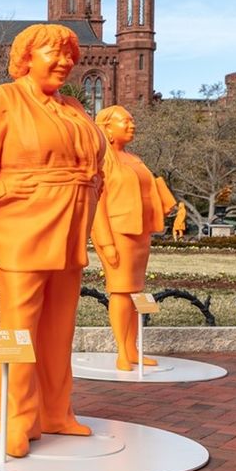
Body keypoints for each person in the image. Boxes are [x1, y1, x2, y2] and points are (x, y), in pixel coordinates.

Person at [0, 23, 105, 459]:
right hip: (22, 230)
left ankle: (55, 412)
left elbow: (97, 167)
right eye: (56, 51)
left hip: (69, 232)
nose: (66, 61)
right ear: (27, 56)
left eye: (70, 54)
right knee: (19, 329)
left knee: (59, 328)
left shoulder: (73, 109)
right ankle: (16, 418)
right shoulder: (3, 101)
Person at [90, 105, 176, 371]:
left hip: (140, 233)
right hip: (118, 234)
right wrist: (105, 242)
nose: (131, 125)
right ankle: (121, 351)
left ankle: (132, 348)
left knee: (134, 291)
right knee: (120, 291)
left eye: (132, 120)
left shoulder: (134, 158)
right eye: (124, 122)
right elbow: (96, 204)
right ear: (107, 129)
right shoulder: (102, 162)